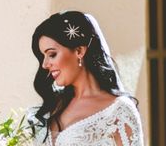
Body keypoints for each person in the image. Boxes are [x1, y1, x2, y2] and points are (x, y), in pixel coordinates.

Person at [29, 11, 144, 146]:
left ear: (79, 51)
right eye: (43, 56)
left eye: (52, 54)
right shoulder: (51, 107)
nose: (45, 64)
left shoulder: (119, 110)